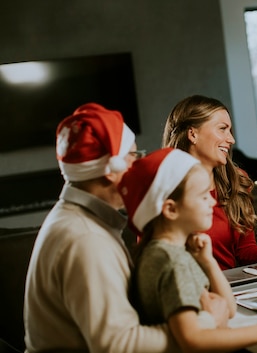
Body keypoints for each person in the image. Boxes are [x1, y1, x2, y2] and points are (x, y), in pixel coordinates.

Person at [23, 103, 203, 353]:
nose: (139, 162)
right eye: (132, 154)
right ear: (110, 170)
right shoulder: (86, 239)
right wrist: (205, 324)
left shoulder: (76, 219)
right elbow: (118, 345)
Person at [118, 147, 257, 352]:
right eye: (203, 196)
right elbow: (193, 338)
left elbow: (228, 309)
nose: (213, 201)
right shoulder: (172, 262)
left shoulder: (164, 253)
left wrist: (208, 261)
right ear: (171, 209)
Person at [162, 95, 257, 270]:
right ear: (193, 134)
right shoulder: (162, 189)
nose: (231, 139)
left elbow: (245, 251)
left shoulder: (235, 180)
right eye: (222, 129)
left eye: (230, 130)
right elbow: (157, 262)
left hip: (233, 290)